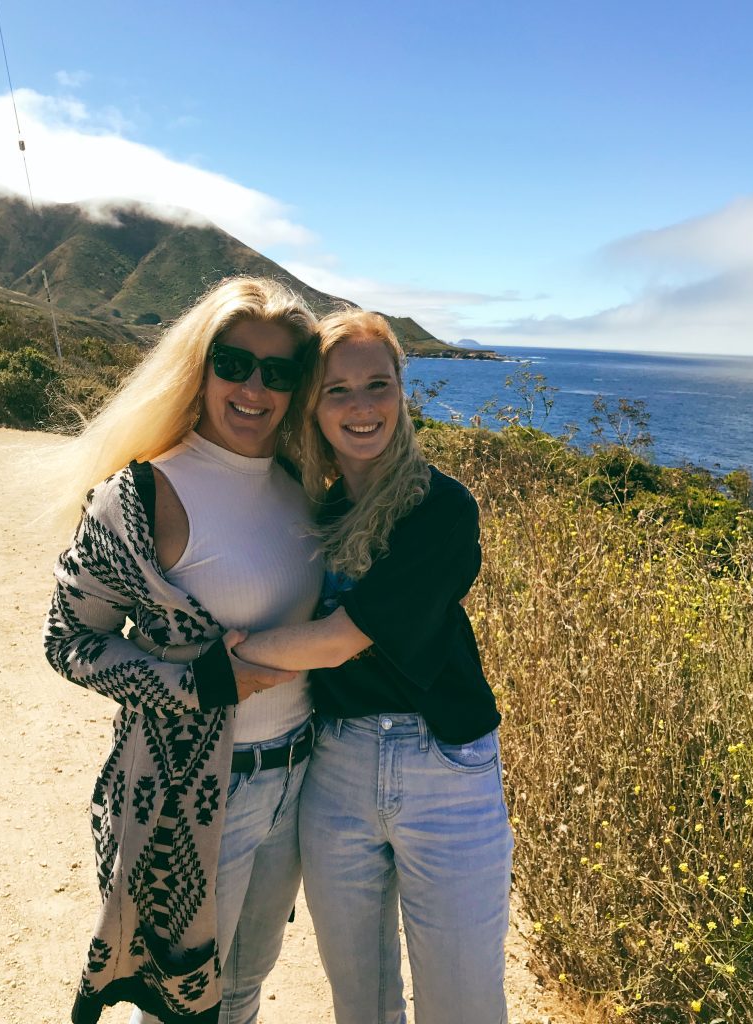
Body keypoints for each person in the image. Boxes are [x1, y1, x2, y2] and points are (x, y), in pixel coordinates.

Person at [216, 309, 514, 1023]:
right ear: (311, 406)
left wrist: (225, 655)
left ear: (401, 392)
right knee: (362, 999)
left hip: (445, 767)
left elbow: (339, 639)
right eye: (336, 390)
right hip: (338, 767)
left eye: (376, 385)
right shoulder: (313, 510)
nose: (361, 407)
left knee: (462, 1002)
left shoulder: (440, 509)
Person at [42, 277, 324, 1024]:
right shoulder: (140, 496)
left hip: (296, 778)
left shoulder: (301, 485)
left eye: (280, 371)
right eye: (233, 363)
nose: (254, 387)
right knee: (178, 1005)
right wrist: (198, 682)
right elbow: (68, 642)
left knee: (244, 989)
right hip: (199, 793)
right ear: (198, 367)